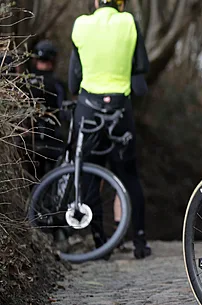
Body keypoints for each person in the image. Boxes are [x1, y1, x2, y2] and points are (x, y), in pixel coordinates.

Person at [69, 0, 151, 259]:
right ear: (121, 4)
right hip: (119, 108)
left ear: (95, 2)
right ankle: (139, 241)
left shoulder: (81, 25)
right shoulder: (128, 22)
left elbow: (74, 77)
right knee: (129, 175)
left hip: (88, 108)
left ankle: (99, 242)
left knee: (90, 174)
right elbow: (142, 67)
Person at [24, 40, 68, 179]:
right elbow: (63, 112)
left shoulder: (25, 83)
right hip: (52, 143)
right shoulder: (58, 85)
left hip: (28, 144)